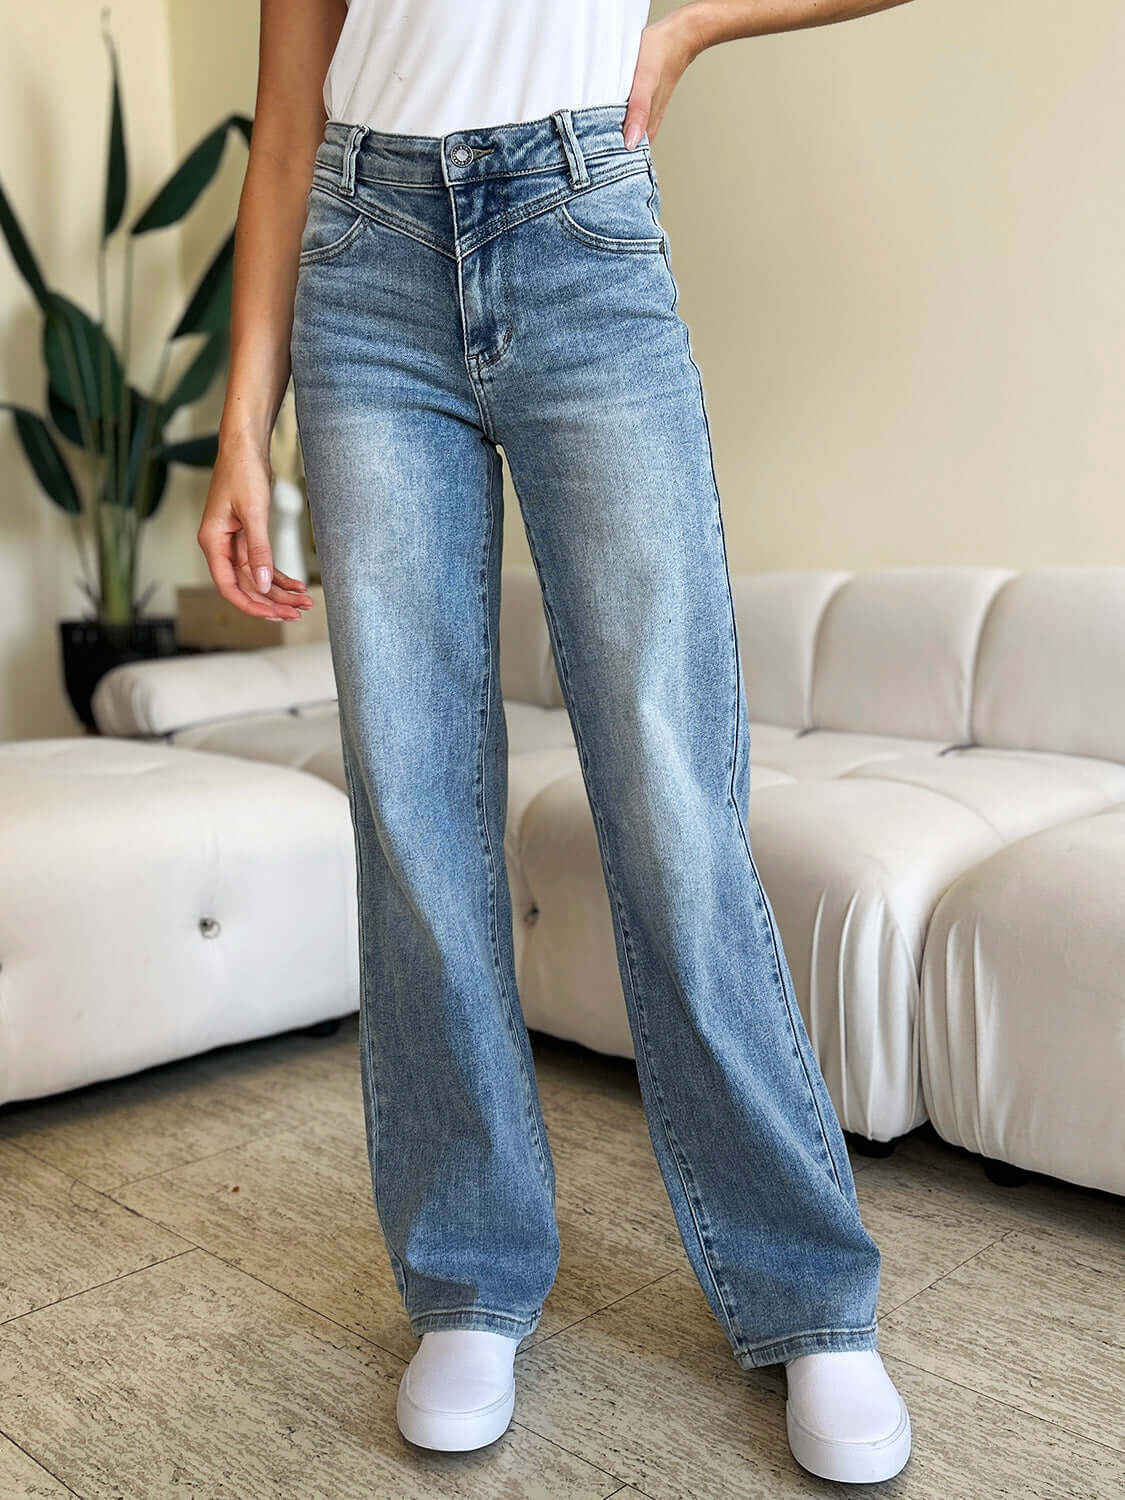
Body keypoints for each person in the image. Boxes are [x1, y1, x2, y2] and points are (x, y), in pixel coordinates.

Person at [199, 0, 916, 1484]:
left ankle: (806, 1297)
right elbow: (285, 122)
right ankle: (467, 1272)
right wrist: (237, 424)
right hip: (360, 260)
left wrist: (691, 24)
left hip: (576, 226)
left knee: (667, 799)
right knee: (410, 802)